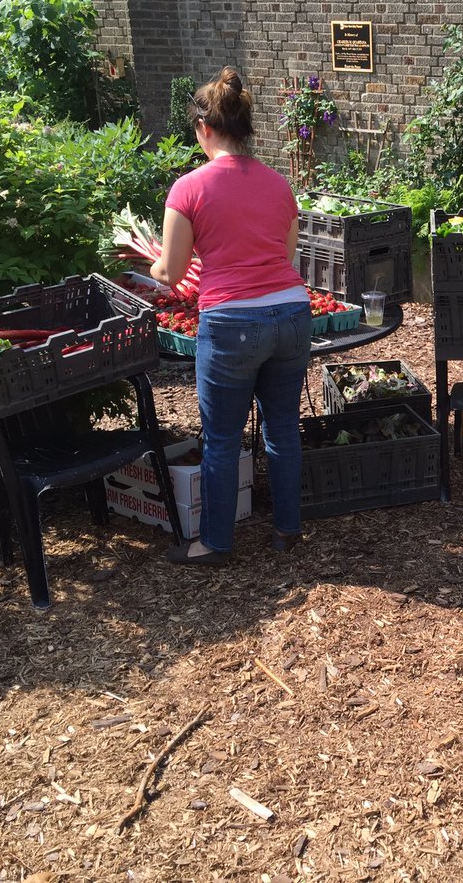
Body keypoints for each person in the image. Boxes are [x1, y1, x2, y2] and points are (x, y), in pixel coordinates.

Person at [150, 66, 312, 565]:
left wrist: (156, 262)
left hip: (231, 324)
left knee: (221, 438)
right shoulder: (280, 184)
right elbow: (284, 259)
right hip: (291, 313)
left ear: (204, 128)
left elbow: (172, 272)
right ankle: (287, 529)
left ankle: (215, 543)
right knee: (282, 426)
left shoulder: (188, 188)